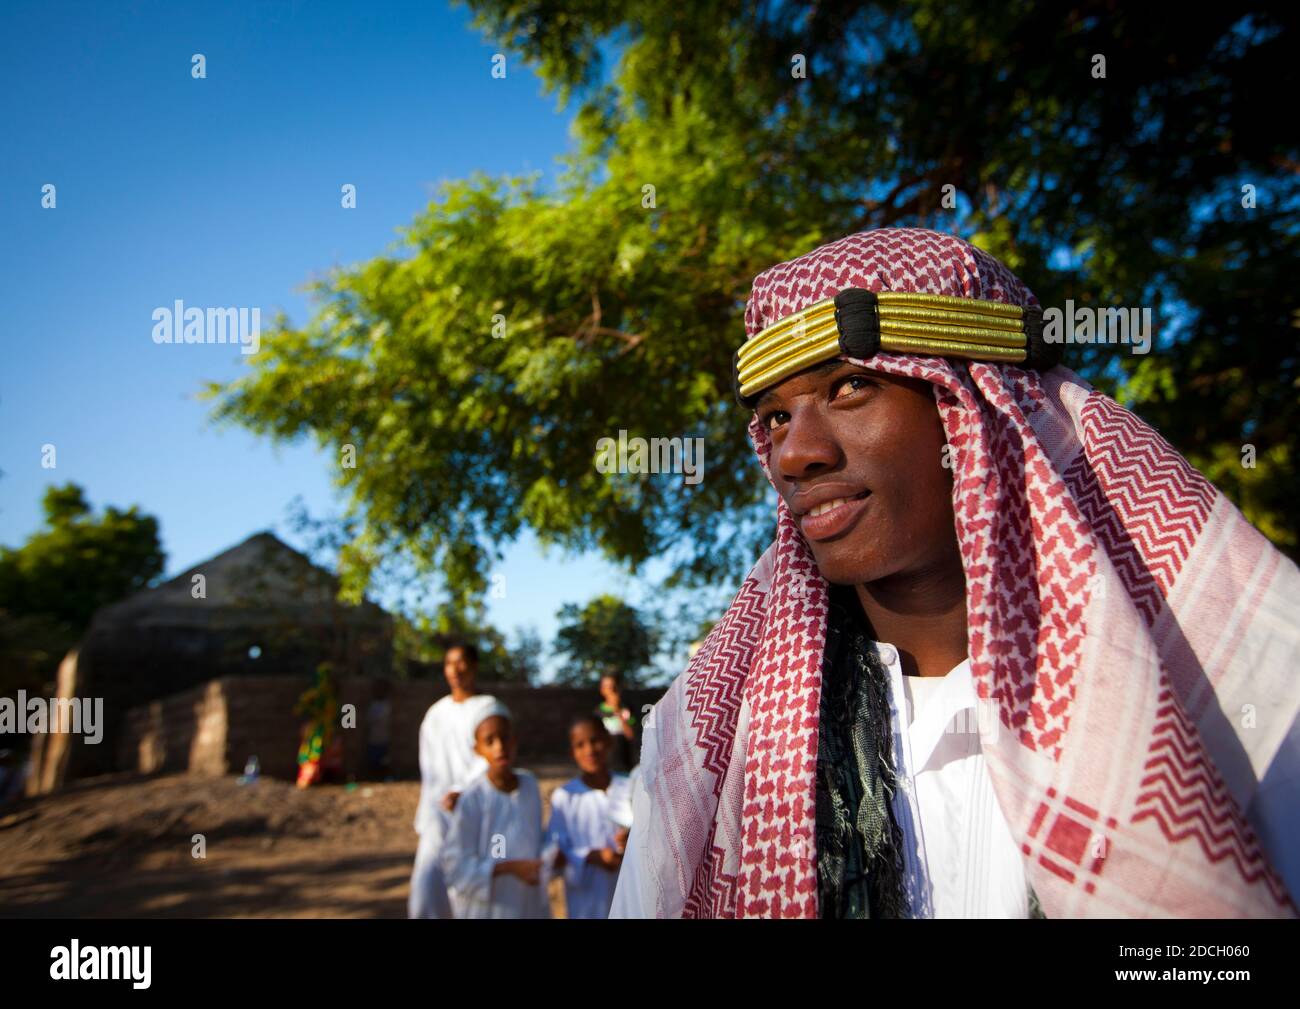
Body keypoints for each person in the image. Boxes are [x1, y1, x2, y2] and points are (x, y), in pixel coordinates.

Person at [612, 227, 1300, 919]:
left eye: (851, 386)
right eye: (776, 416)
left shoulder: (1249, 690)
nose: (797, 453)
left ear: (978, 405)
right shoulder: (710, 746)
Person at [408, 642, 500, 919]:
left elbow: (491, 759)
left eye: (461, 662)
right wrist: (426, 815)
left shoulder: (489, 708)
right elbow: (429, 769)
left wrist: (463, 792)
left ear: (474, 667)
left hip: (475, 812)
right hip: (438, 814)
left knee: (469, 894)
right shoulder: (435, 714)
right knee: (426, 891)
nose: (455, 669)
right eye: (449, 663)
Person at [440, 701, 550, 919]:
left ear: (515, 741)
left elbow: (536, 839)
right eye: (489, 741)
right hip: (487, 908)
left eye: (505, 738)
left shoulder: (529, 784)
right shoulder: (472, 798)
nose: (499, 746)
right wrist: (507, 868)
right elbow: (454, 865)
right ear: (477, 749)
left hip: (528, 903)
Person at [547, 716, 631, 919]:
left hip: (628, 892)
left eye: (595, 741)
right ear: (572, 752)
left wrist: (632, 839)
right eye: (580, 745)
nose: (590, 750)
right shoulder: (565, 797)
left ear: (609, 741)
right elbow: (554, 851)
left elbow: (649, 832)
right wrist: (590, 857)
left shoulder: (629, 786)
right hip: (586, 901)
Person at [294, 664, 338, 789]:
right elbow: (299, 710)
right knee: (313, 753)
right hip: (317, 730)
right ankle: (309, 778)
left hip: (326, 730)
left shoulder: (333, 696)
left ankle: (320, 777)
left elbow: (345, 713)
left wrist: (347, 725)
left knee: (323, 754)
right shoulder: (316, 695)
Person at [596, 673, 637, 772]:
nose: (612, 690)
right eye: (608, 687)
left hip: (626, 763)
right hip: (607, 764)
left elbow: (631, 735)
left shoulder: (627, 709)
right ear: (602, 690)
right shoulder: (598, 712)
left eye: (614, 687)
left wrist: (618, 713)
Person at [365, 679, 393, 780]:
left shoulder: (387, 705)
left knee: (384, 760)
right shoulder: (373, 705)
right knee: (374, 760)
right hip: (373, 738)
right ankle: (374, 777)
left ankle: (384, 777)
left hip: (384, 738)